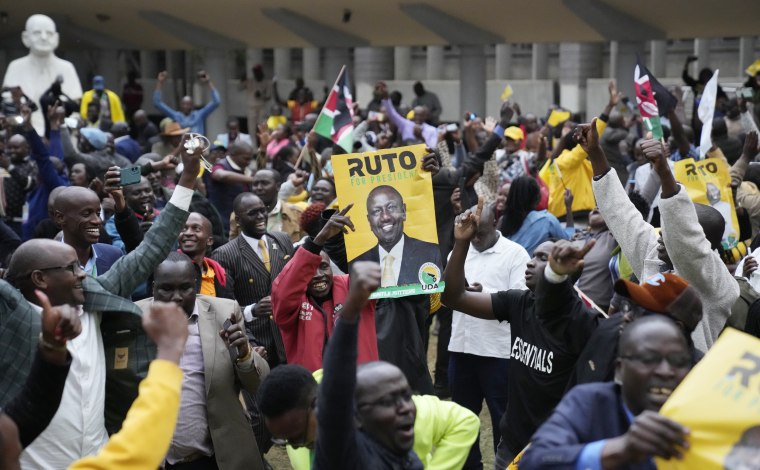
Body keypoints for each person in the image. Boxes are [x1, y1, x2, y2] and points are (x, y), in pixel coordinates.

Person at [0, 138, 200, 469]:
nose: (83, 274)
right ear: (39, 279)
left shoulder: (95, 296)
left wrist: (188, 178)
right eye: (71, 269)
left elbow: (152, 246)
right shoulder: (13, 319)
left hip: (100, 454)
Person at [442, 199, 602, 466]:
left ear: (567, 268)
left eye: (543, 259)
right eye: (534, 255)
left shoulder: (580, 321)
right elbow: (453, 297)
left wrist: (555, 277)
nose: (530, 263)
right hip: (512, 444)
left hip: (554, 448)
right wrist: (460, 243)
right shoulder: (519, 303)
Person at [579, 118, 739, 352]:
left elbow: (686, 243)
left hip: (684, 376)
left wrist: (664, 171)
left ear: (705, 245)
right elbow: (620, 213)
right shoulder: (654, 252)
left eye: (672, 232)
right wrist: (595, 152)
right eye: (665, 230)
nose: (663, 236)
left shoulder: (718, 284)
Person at [136, 252, 270, 470]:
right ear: (153, 288)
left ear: (197, 286)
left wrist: (245, 353)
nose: (176, 297)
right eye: (166, 289)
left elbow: (260, 386)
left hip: (211, 459)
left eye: (185, 288)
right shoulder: (133, 317)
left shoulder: (224, 313)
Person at [519, 315, 692, 469]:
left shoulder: (701, 417)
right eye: (648, 359)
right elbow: (534, 461)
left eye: (678, 361)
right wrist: (620, 449)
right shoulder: (588, 402)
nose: (665, 371)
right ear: (619, 369)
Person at [258, 363, 480, 470]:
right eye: (285, 441)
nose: (294, 447)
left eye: (296, 438)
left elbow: (464, 420)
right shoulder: (296, 423)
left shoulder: (390, 417)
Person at [312, 261, 423, 469]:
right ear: (356, 416)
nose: (405, 408)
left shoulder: (407, 456)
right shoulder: (344, 455)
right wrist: (352, 307)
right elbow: (335, 393)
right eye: (387, 402)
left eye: (406, 396)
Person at [447, 202, 530, 469]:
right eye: (472, 234)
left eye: (480, 233)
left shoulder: (515, 254)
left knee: (503, 422)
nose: (476, 239)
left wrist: (486, 294)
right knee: (462, 419)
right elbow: (447, 297)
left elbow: (522, 300)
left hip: (498, 353)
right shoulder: (458, 251)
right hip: (461, 347)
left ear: (496, 222)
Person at [271, 204, 379, 372]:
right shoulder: (291, 306)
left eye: (323, 266)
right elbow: (283, 290)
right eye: (309, 270)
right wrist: (318, 240)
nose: (318, 275)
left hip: (363, 387)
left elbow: (385, 270)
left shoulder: (352, 287)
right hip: (315, 393)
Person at [211, 192, 295, 369]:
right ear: (238, 220)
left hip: (291, 340)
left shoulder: (282, 240)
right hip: (259, 346)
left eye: (262, 210)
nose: (260, 216)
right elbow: (225, 308)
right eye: (252, 213)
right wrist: (253, 311)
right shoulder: (225, 255)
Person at [2, 14, 83, 134]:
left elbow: (76, 105)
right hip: (23, 131)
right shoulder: (15, 66)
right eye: (37, 33)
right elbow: (7, 101)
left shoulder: (66, 68)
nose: (44, 37)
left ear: (56, 38)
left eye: (49, 33)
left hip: (57, 131)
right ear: (25, 37)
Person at [353, 185, 441, 287]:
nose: (385, 217)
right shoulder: (358, 264)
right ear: (369, 220)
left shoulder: (431, 253)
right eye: (377, 211)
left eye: (391, 207)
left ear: (403, 211)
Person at [53, 186, 122, 276]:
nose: (97, 220)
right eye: (86, 214)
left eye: (98, 214)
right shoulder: (48, 263)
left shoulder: (113, 255)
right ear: (60, 218)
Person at [500, 176, 574, 255]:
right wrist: (568, 207)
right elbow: (568, 240)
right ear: (537, 198)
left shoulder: (502, 221)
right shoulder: (546, 220)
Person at [178, 212, 232, 298]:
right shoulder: (166, 266)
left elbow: (229, 308)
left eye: (196, 229)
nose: (188, 233)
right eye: (184, 229)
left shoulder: (219, 274)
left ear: (209, 241)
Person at [153, 70, 220, 135]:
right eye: (183, 104)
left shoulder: (199, 115)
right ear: (180, 105)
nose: (185, 106)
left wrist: (208, 82)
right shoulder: (176, 116)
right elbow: (157, 103)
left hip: (198, 144)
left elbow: (216, 102)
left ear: (192, 105)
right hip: (182, 144)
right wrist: (160, 82)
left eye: (188, 104)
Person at [208, 142, 254, 232]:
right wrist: (252, 179)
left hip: (240, 220)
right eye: (246, 159)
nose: (248, 162)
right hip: (223, 221)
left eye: (250, 159)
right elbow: (220, 175)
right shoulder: (221, 165)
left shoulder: (245, 169)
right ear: (233, 155)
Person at [252, 169, 305, 243]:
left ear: (278, 186)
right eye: (255, 184)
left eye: (264, 183)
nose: (259, 188)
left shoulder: (298, 215)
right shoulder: (241, 215)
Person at [378, 83, 438, 148]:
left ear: (425, 116)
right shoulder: (406, 124)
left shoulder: (432, 130)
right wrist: (386, 97)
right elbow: (392, 114)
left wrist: (420, 137)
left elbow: (433, 148)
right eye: (416, 115)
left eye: (421, 115)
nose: (418, 117)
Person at [61, 125, 131, 180]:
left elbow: (71, 155)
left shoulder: (94, 159)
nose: (80, 141)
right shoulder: (120, 159)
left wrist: (62, 126)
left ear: (88, 144)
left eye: (82, 138)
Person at [2, 132, 37, 236]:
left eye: (16, 148)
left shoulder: (32, 165)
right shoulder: (3, 164)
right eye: (10, 147)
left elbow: (29, 184)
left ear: (26, 147)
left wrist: (10, 168)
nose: (12, 151)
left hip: (21, 222)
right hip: (2, 221)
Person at [241, 64, 272, 134]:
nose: (256, 74)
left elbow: (268, 96)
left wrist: (261, 96)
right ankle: (253, 144)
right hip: (251, 107)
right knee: (251, 128)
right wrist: (243, 77)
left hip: (261, 107)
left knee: (262, 126)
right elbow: (240, 87)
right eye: (255, 72)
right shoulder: (250, 81)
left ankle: (263, 142)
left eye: (257, 72)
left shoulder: (266, 82)